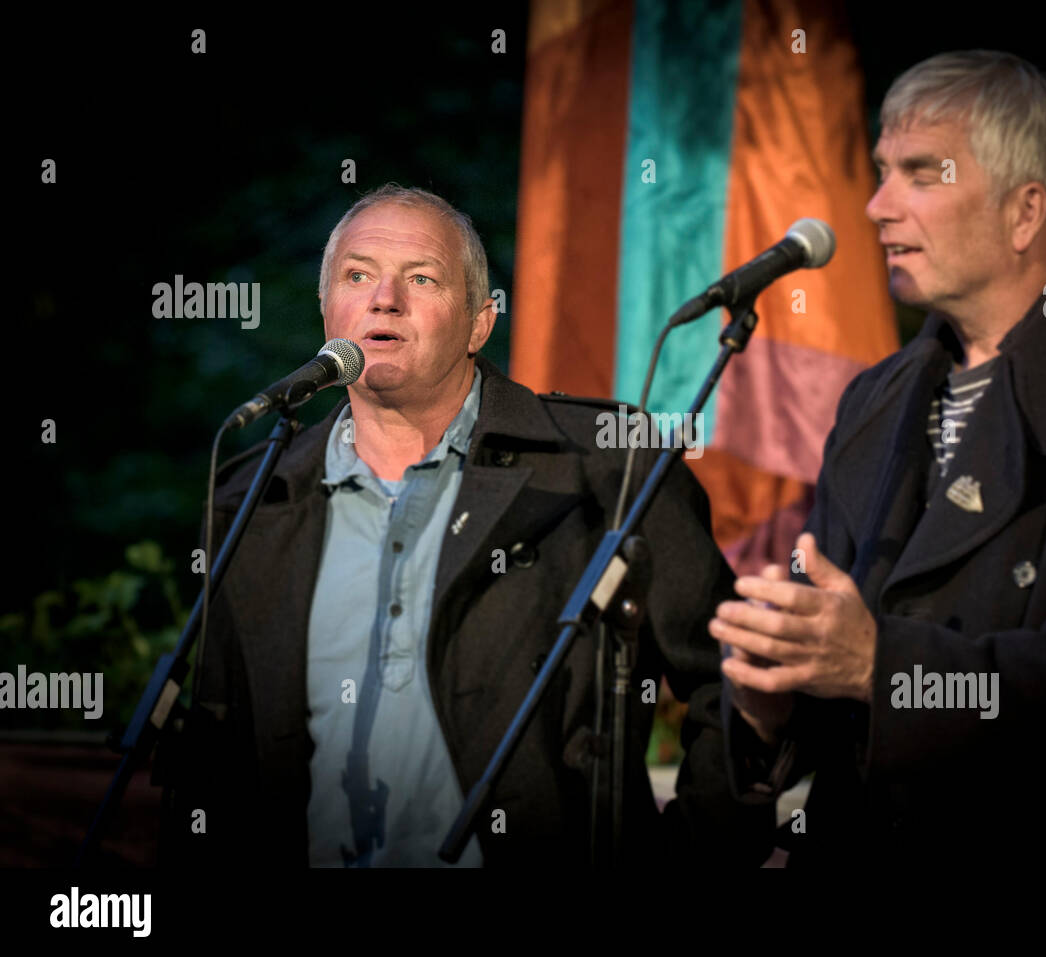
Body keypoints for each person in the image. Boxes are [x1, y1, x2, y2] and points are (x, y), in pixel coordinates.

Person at [712, 51, 1046, 869]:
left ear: (1025, 211)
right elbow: (842, 680)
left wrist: (882, 666)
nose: (875, 205)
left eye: (920, 175)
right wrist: (771, 701)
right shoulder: (873, 399)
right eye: (881, 171)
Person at [159, 184, 773, 868]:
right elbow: (213, 751)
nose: (383, 298)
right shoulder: (252, 497)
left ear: (481, 323)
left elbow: (739, 674)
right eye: (357, 275)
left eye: (420, 278)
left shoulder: (604, 464)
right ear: (327, 309)